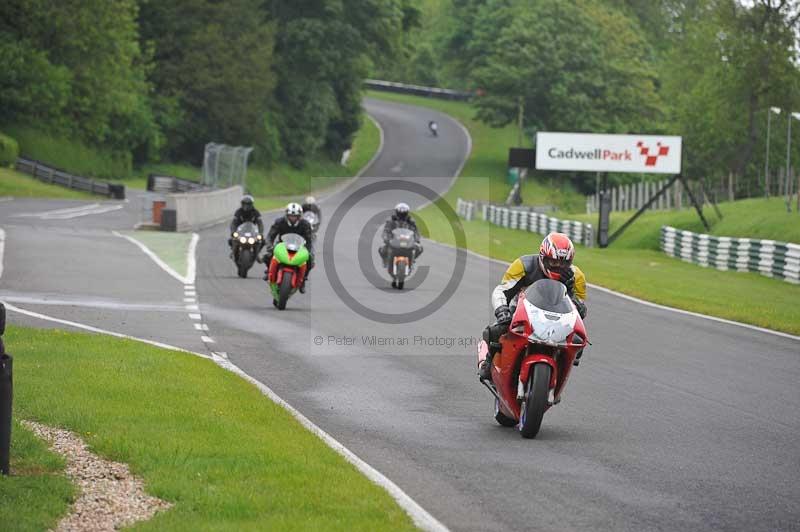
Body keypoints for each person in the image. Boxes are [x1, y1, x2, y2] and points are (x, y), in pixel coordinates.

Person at [478, 232, 588, 380]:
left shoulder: (577, 276)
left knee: (578, 341)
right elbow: (502, 290)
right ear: (543, 257)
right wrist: (501, 310)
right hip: (522, 311)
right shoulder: (524, 265)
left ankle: (559, 375)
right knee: (495, 330)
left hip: (559, 317)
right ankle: (489, 361)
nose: (558, 267)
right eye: (553, 262)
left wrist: (571, 293)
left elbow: (580, 310)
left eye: (563, 263)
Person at [260, 203, 315, 292]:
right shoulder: (279, 222)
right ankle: (268, 271)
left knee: (309, 260)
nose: (293, 218)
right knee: (268, 256)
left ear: (299, 216)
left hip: (299, 247)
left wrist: (309, 251)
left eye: (295, 216)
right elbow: (270, 235)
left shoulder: (305, 224)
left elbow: (309, 240)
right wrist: (269, 245)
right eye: (290, 216)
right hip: (282, 246)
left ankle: (303, 279)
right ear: (286, 215)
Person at [378, 202, 423, 268]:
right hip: (394, 241)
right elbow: (386, 230)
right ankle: (385, 261)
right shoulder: (391, 221)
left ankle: (412, 260)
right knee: (382, 249)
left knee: (419, 248)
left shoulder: (411, 222)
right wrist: (386, 238)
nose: (402, 215)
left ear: (407, 213)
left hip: (407, 241)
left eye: (404, 213)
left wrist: (417, 239)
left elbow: (416, 231)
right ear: (396, 212)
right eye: (400, 213)